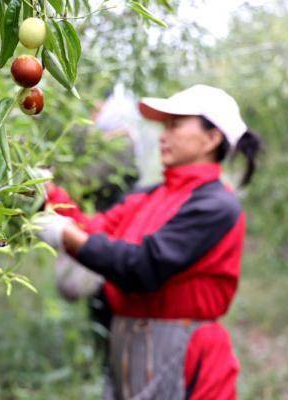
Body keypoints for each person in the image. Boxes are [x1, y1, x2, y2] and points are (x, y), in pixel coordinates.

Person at [35, 84, 262, 399]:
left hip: (181, 350)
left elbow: (144, 266)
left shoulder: (215, 206)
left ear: (212, 138)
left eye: (174, 125)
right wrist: (45, 192)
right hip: (129, 340)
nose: (162, 135)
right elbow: (95, 229)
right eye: (163, 126)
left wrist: (67, 237)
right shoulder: (150, 196)